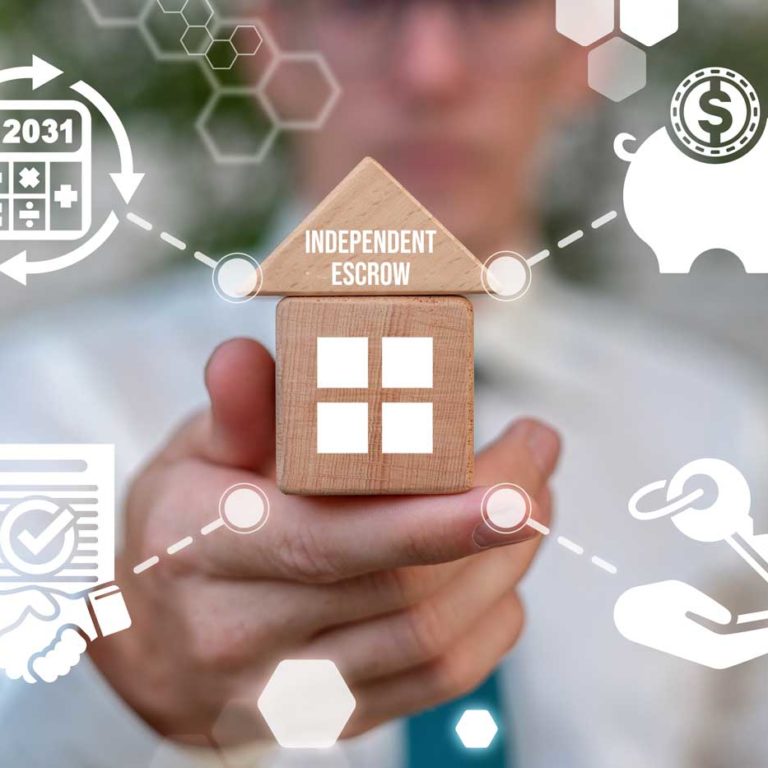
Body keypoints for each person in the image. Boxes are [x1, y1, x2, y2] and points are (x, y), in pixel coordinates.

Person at [2, 1, 768, 766]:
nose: (429, 71)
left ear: (584, 48)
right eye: (361, 4)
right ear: (272, 44)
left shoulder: (727, 434)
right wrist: (126, 687)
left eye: (495, 8)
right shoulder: (44, 399)